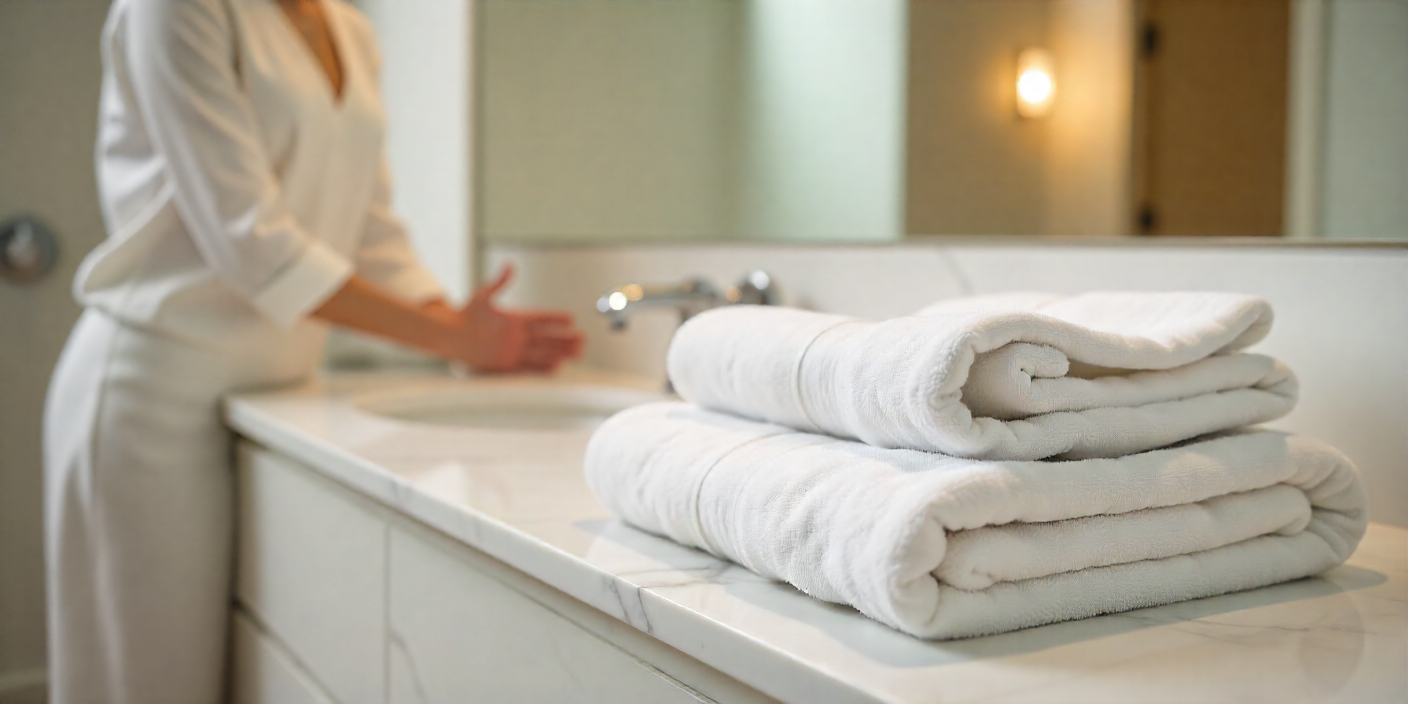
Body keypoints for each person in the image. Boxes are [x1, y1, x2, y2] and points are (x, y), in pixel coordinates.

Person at [42, 0, 584, 702]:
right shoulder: (175, 9)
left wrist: (467, 330)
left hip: (266, 391)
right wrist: (454, 337)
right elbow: (249, 240)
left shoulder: (350, 30)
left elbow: (371, 234)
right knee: (149, 683)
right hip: (151, 390)